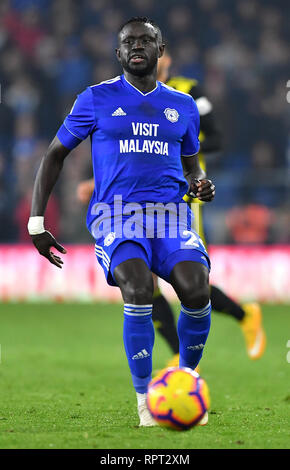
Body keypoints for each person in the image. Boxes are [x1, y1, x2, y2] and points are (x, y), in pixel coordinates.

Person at [28, 16, 216, 427]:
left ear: (160, 51)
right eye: (128, 41)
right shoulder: (95, 99)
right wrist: (36, 222)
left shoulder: (182, 106)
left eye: (146, 41)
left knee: (196, 290)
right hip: (117, 216)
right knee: (137, 286)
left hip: (171, 217)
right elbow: (54, 154)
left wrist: (200, 184)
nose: (137, 46)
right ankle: (145, 400)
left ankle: (185, 380)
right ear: (118, 53)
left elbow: (191, 168)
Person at [77, 49, 266, 370]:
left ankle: (244, 315)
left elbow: (217, 140)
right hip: (138, 202)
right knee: (147, 282)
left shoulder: (188, 93)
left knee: (190, 281)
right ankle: (181, 356)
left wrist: (173, 143)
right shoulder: (129, 98)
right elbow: (126, 156)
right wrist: (95, 183)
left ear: (166, 59)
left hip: (182, 197)